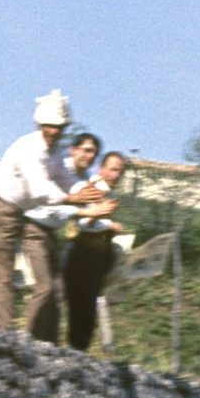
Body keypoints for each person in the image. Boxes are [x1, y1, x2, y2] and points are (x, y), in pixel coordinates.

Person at [0, 90, 106, 337]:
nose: (54, 131)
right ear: (40, 124)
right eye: (50, 126)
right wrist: (73, 198)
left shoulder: (54, 151)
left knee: (4, 272)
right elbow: (40, 186)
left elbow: (63, 177)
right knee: (1, 273)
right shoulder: (30, 148)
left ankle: (3, 332)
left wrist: (87, 192)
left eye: (59, 126)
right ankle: (0, 333)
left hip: (13, 211)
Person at [56, 148, 131, 352]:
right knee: (81, 304)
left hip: (98, 249)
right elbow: (79, 222)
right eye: (113, 170)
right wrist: (107, 223)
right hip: (86, 248)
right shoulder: (91, 187)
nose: (116, 175)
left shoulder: (108, 191)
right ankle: (74, 350)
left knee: (88, 304)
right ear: (102, 168)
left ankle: (78, 351)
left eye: (120, 171)